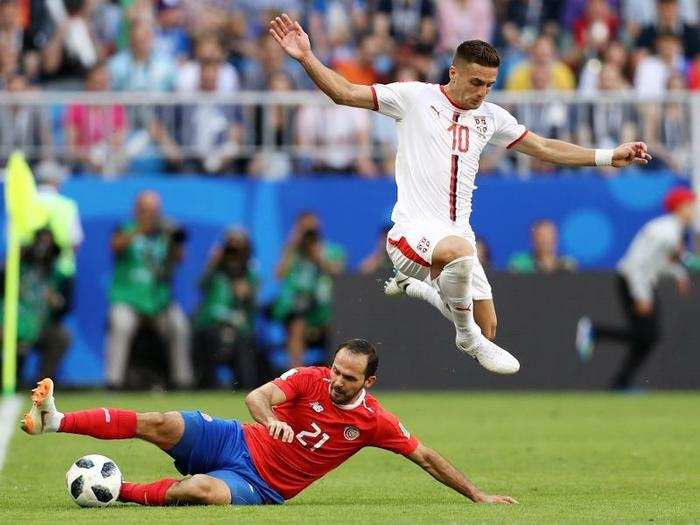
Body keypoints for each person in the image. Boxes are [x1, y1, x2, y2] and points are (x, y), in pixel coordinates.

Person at [268, 13, 651, 375]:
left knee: (488, 327)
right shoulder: (414, 99)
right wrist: (306, 57)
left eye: (490, 85)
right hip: (410, 233)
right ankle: (463, 335)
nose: (482, 92)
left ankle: (418, 288)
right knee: (462, 263)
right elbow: (344, 92)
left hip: (456, 236)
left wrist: (607, 156)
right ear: (454, 72)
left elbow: (546, 147)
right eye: (475, 82)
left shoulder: (491, 117)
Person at [21, 339, 517, 507]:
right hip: (237, 438)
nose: (336, 382)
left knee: (202, 493)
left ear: (369, 381)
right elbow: (259, 397)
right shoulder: (309, 377)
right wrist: (272, 420)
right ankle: (56, 420)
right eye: (336, 371)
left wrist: (476, 495)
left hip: (260, 484)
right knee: (162, 420)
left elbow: (425, 455)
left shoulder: (373, 422)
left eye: (348, 378)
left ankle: (116, 492)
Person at [575, 187, 695, 391]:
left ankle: (620, 383)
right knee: (648, 335)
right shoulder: (665, 232)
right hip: (634, 281)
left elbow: (656, 263)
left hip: (639, 281)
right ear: (681, 207)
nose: (695, 210)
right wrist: (641, 295)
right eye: (691, 205)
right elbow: (637, 263)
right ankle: (595, 331)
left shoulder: (671, 230)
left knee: (647, 337)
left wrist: (678, 274)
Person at [106, 190, 193, 389]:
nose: (150, 215)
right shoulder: (126, 228)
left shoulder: (165, 233)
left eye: (154, 210)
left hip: (158, 302)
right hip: (129, 299)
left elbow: (180, 258)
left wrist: (174, 239)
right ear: (136, 210)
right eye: (145, 210)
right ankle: (113, 382)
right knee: (121, 323)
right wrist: (139, 229)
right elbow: (115, 246)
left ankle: (183, 382)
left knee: (179, 325)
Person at [0, 229, 71, 384]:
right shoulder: (15, 270)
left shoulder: (58, 276)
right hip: (11, 324)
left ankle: (42, 384)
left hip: (40, 327)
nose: (43, 252)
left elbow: (65, 307)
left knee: (61, 336)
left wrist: (56, 301)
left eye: (47, 246)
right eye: (40, 245)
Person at [193, 228, 258, 389]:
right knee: (206, 338)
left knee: (243, 343)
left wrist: (246, 293)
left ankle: (246, 388)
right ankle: (207, 386)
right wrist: (212, 263)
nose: (233, 251)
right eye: (230, 245)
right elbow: (201, 286)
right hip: (211, 326)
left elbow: (252, 306)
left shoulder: (249, 274)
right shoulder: (215, 272)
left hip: (239, 329)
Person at [508, 220, 578, 274]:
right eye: (541, 236)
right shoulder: (519, 264)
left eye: (550, 235)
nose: (546, 240)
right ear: (533, 238)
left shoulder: (568, 264)